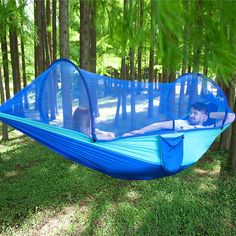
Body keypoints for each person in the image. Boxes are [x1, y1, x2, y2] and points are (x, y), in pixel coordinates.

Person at [123, 102, 235, 137]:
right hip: (168, 148)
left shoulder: (208, 129)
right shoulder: (182, 123)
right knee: (126, 136)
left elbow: (231, 116)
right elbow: (159, 125)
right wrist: (142, 131)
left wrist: (209, 114)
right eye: (191, 112)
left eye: (195, 113)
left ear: (203, 117)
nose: (191, 115)